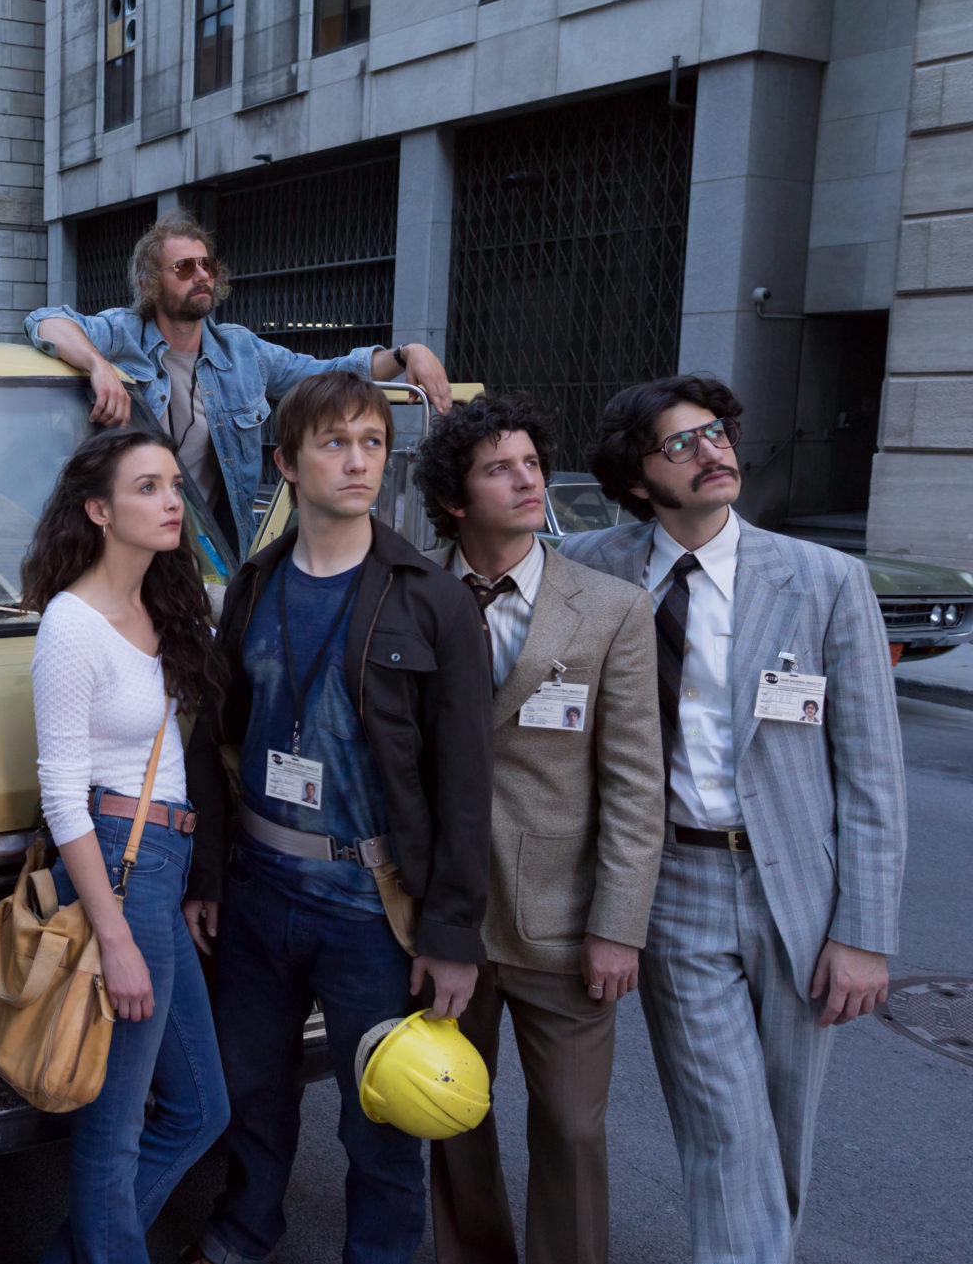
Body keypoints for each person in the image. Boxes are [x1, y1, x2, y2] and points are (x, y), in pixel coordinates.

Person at [559, 375, 906, 1262]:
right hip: (675, 884)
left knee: (780, 1130)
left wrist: (864, 931)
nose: (714, 452)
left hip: (800, 892)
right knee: (725, 1126)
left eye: (716, 433)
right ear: (637, 479)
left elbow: (871, 771)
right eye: (681, 443)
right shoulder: (595, 565)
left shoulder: (824, 580)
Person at [179, 371, 494, 1264]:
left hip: (371, 902)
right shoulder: (254, 584)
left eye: (372, 444)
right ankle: (243, 1232)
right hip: (258, 889)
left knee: (379, 1117)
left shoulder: (429, 597)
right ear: (285, 461)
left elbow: (467, 782)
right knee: (252, 1092)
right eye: (334, 443)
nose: (359, 462)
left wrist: (452, 931)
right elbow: (214, 737)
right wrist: (208, 875)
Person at [410, 395, 665, 1264]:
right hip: (444, 918)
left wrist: (618, 927)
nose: (526, 481)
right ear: (455, 498)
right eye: (499, 468)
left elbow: (636, 785)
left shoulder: (611, 609)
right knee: (451, 1114)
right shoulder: (413, 594)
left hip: (564, 923)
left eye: (530, 463)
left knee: (571, 1125)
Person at [23, 426, 231, 1264]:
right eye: (147, 487)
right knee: (115, 1127)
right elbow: (61, 795)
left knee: (200, 1108)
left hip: (157, 861)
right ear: (99, 510)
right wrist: (113, 933)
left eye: (175, 483)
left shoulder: (164, 604)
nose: (172, 499)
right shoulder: (72, 625)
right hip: (116, 865)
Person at [26, 212, 454, 560]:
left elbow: (333, 370)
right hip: (122, 541)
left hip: (212, 548)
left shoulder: (242, 351)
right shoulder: (121, 334)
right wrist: (98, 365)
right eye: (183, 267)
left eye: (206, 265)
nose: (201, 275)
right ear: (148, 284)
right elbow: (45, 321)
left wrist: (405, 354)